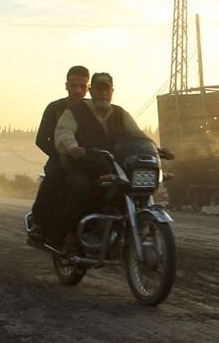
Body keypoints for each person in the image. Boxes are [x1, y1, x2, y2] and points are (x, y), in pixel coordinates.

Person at [53, 72, 151, 251]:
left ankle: (128, 228)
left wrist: (155, 148)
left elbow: (137, 134)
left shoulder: (120, 113)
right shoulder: (76, 110)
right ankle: (69, 234)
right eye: (99, 89)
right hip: (83, 166)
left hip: (114, 167)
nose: (103, 93)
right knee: (81, 188)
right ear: (91, 90)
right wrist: (73, 147)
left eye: (107, 89)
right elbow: (64, 132)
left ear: (112, 91)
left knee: (134, 189)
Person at [29, 65, 89, 242]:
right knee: (52, 178)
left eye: (82, 86)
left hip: (86, 162)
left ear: (88, 88)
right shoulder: (55, 108)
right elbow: (41, 139)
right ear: (66, 85)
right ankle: (38, 224)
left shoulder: (90, 110)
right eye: (74, 85)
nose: (78, 91)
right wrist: (59, 154)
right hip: (59, 160)